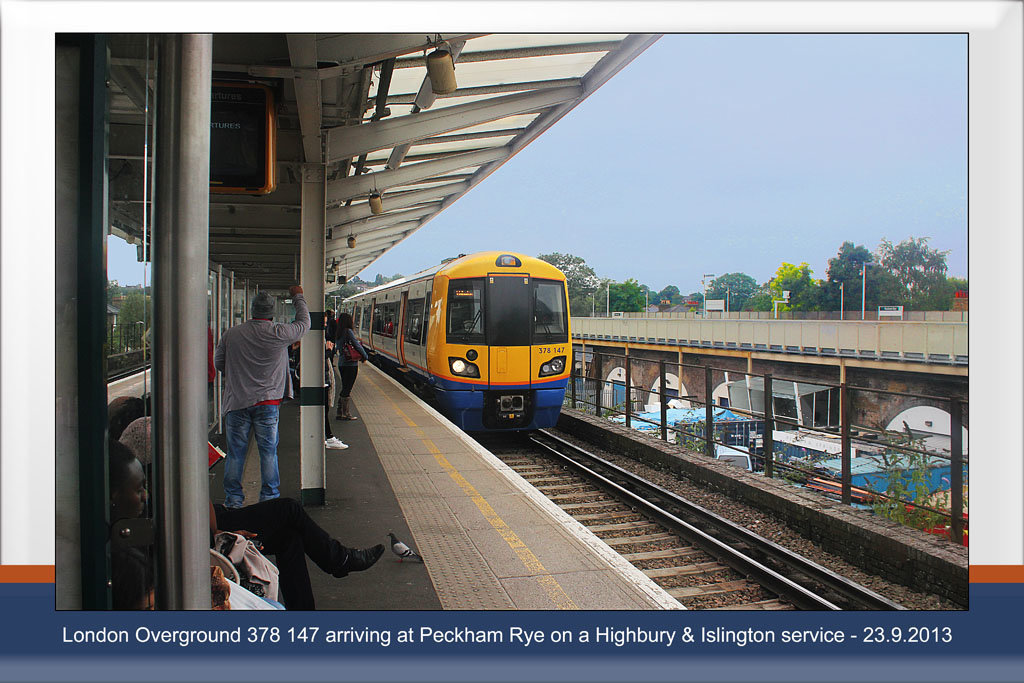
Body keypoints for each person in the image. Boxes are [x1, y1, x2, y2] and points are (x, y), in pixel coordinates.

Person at [214, 286, 310, 508]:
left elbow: (220, 363)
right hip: (268, 403)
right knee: (268, 452)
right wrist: (298, 296)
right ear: (272, 313)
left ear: (251, 311)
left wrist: (239, 375)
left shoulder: (231, 334)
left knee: (236, 453)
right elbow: (305, 323)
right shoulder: (279, 333)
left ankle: (234, 501)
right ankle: (269, 499)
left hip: (236, 402)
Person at [335, 312, 368, 420]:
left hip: (341, 363)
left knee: (345, 386)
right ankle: (345, 413)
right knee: (347, 388)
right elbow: (356, 345)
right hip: (350, 364)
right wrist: (365, 356)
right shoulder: (348, 331)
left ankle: (340, 412)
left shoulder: (339, 332)